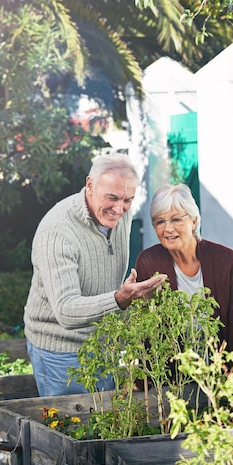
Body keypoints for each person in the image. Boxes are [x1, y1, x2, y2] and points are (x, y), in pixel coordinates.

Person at [24, 153, 167, 397]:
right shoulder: (57, 231)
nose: (119, 209)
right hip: (63, 351)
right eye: (111, 198)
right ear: (90, 185)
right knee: (71, 431)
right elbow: (66, 310)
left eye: (128, 200)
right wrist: (120, 299)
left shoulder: (120, 214)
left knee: (104, 428)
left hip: (104, 345)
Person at [135, 183, 233, 351]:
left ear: (193, 221)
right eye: (160, 222)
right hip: (174, 373)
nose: (168, 229)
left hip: (219, 367)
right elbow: (147, 332)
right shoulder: (148, 262)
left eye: (176, 219)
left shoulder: (225, 260)